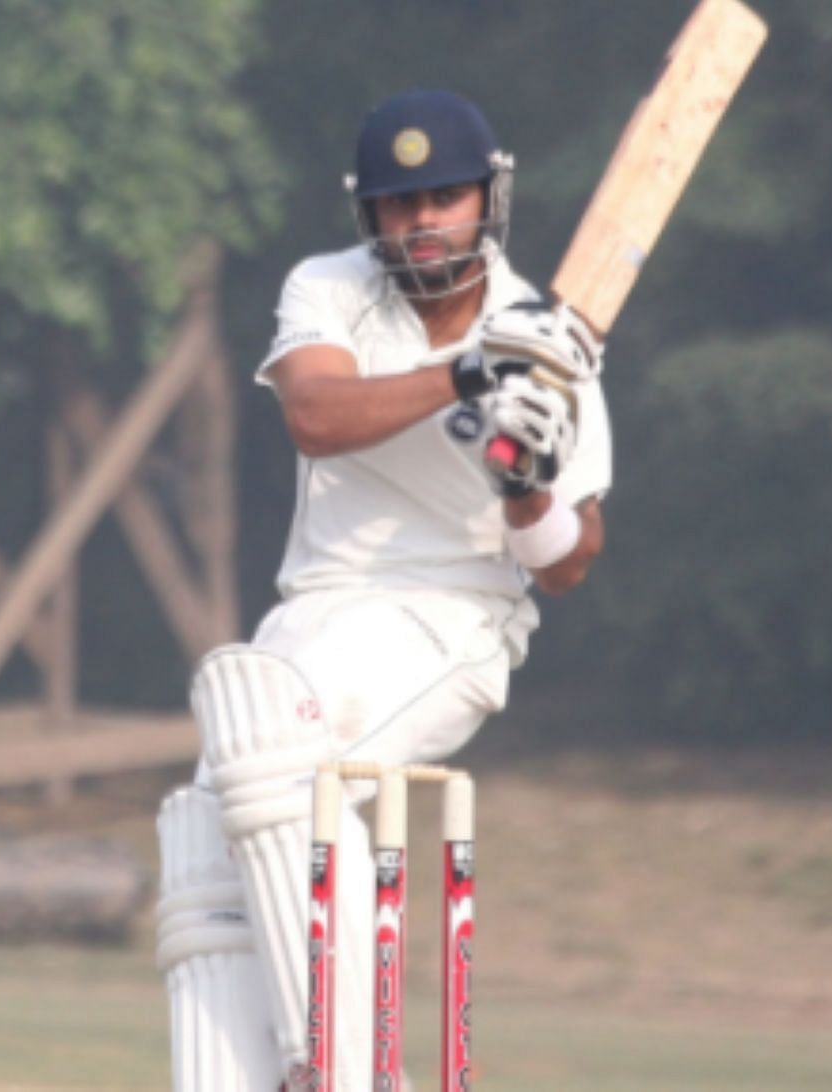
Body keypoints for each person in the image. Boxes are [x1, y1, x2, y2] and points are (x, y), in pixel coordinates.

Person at [154, 88, 611, 1090]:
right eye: (401, 205)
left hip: (451, 617)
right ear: (369, 215)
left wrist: (527, 488)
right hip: (317, 606)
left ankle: (344, 1072)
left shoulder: (549, 344)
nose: (422, 222)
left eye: (443, 198)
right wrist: (469, 371)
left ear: (488, 199)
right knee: (203, 819)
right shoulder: (330, 287)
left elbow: (571, 561)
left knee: (275, 757)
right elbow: (313, 414)